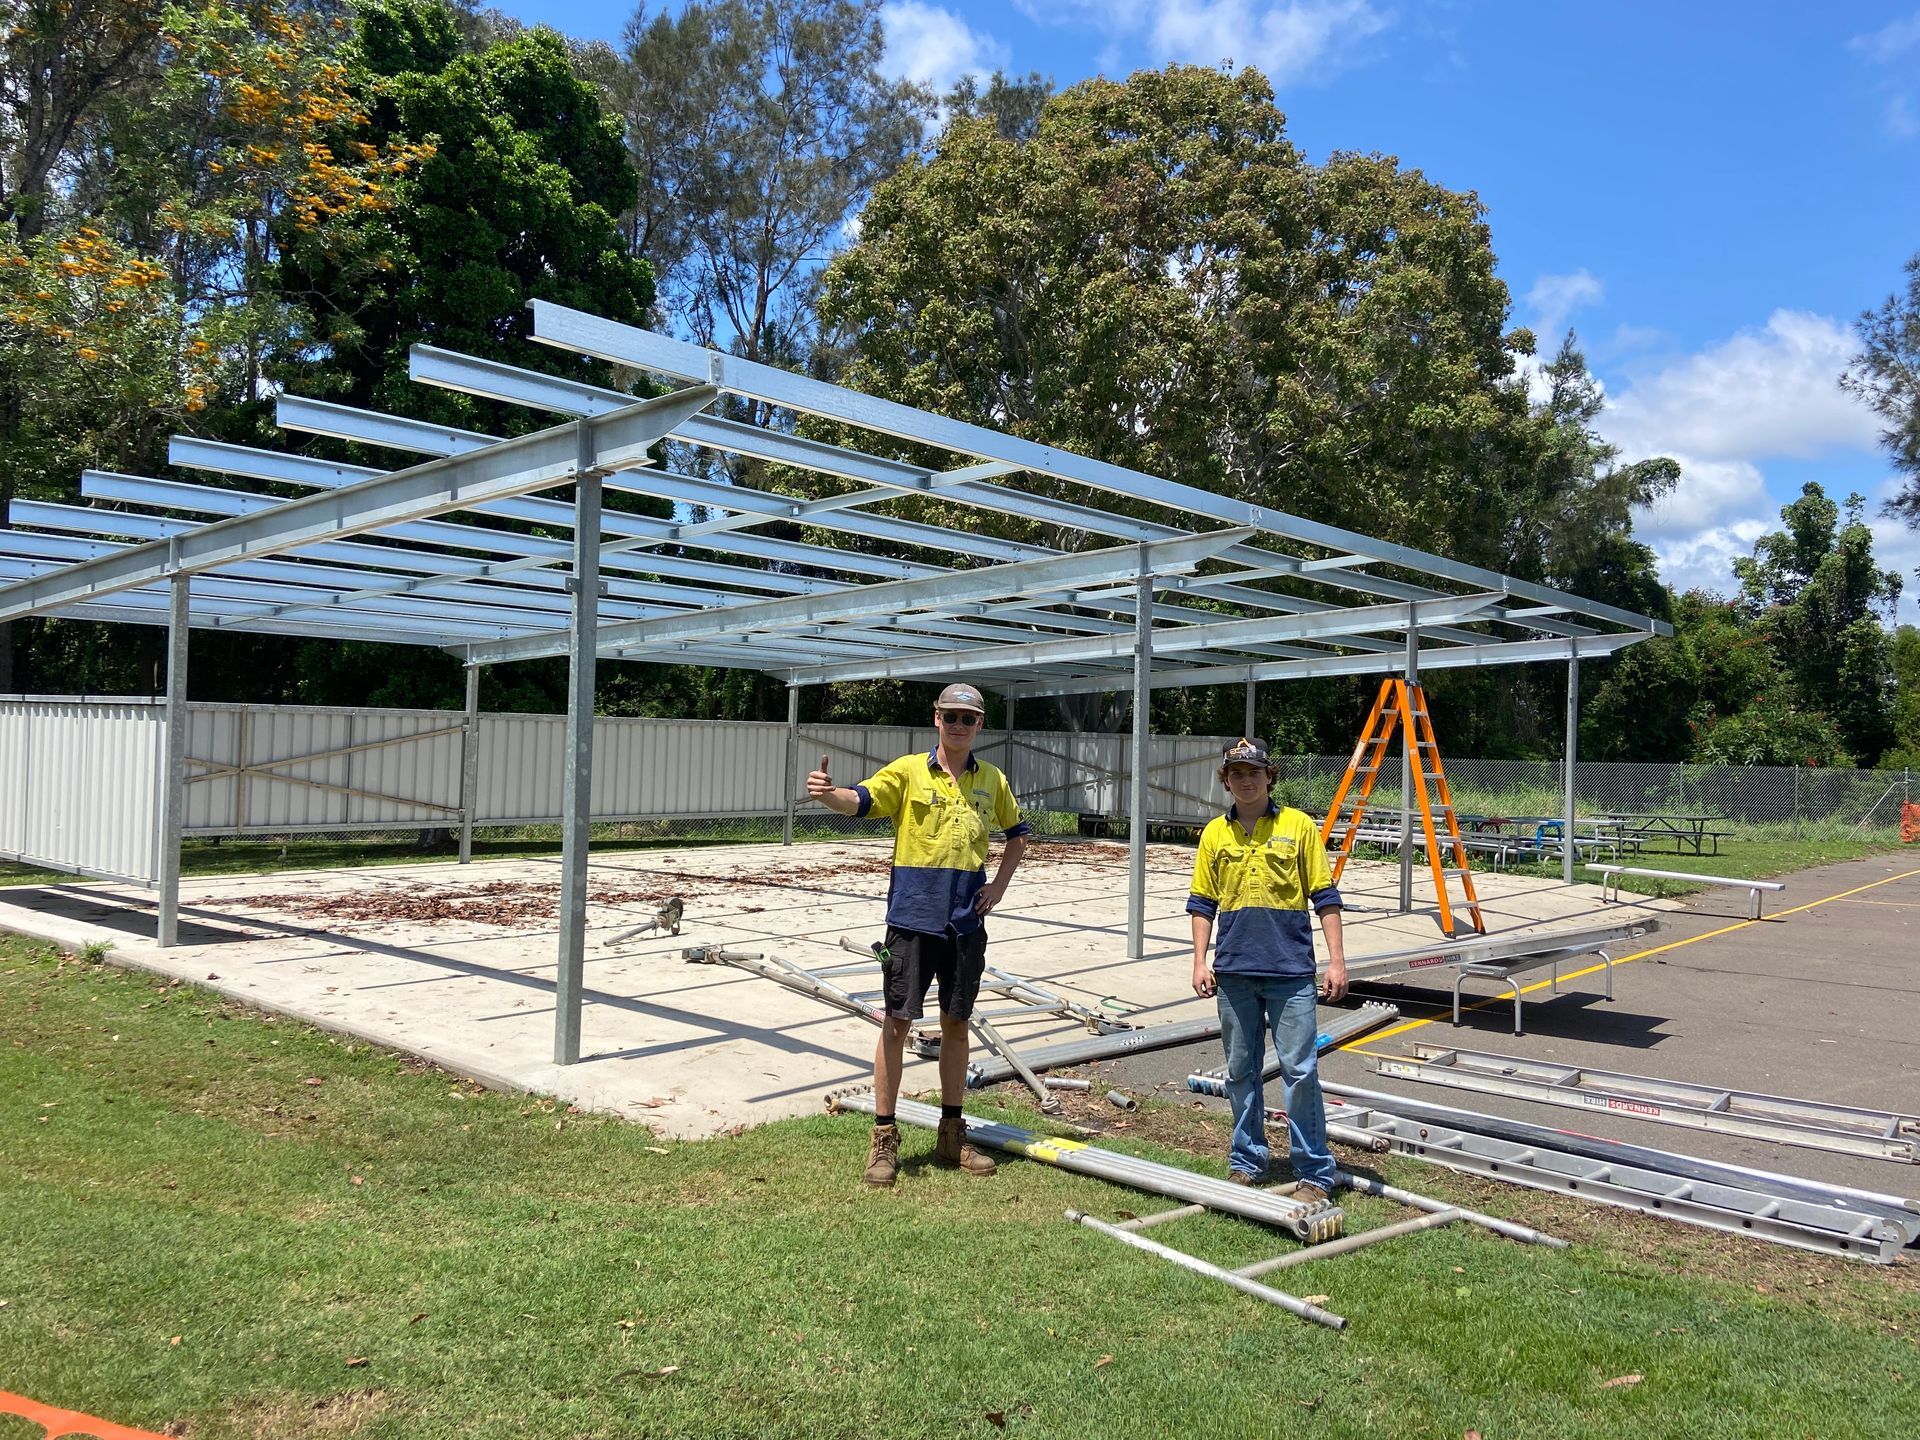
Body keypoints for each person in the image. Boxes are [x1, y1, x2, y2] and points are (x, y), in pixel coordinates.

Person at [807, 681, 1032, 1187]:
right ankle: (883, 1141)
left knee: (956, 1023)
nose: (958, 725)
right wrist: (828, 795)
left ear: (979, 726)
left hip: (965, 923)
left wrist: (997, 886)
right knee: (896, 1024)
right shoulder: (909, 771)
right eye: (950, 716)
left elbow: (1018, 835)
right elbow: (860, 800)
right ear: (936, 719)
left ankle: (952, 1136)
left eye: (968, 719)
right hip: (912, 920)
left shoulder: (992, 780)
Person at [1186, 738, 1348, 1210]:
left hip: (1290, 973)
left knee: (1299, 1072)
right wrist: (1199, 959)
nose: (1245, 779)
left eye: (1253, 771)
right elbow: (1202, 903)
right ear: (1226, 779)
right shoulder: (1215, 834)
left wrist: (1336, 962)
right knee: (1241, 1072)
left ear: (1269, 776)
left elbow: (1325, 896)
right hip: (1234, 972)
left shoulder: (1298, 826)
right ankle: (1247, 1160)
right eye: (1236, 772)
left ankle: (1315, 1170)